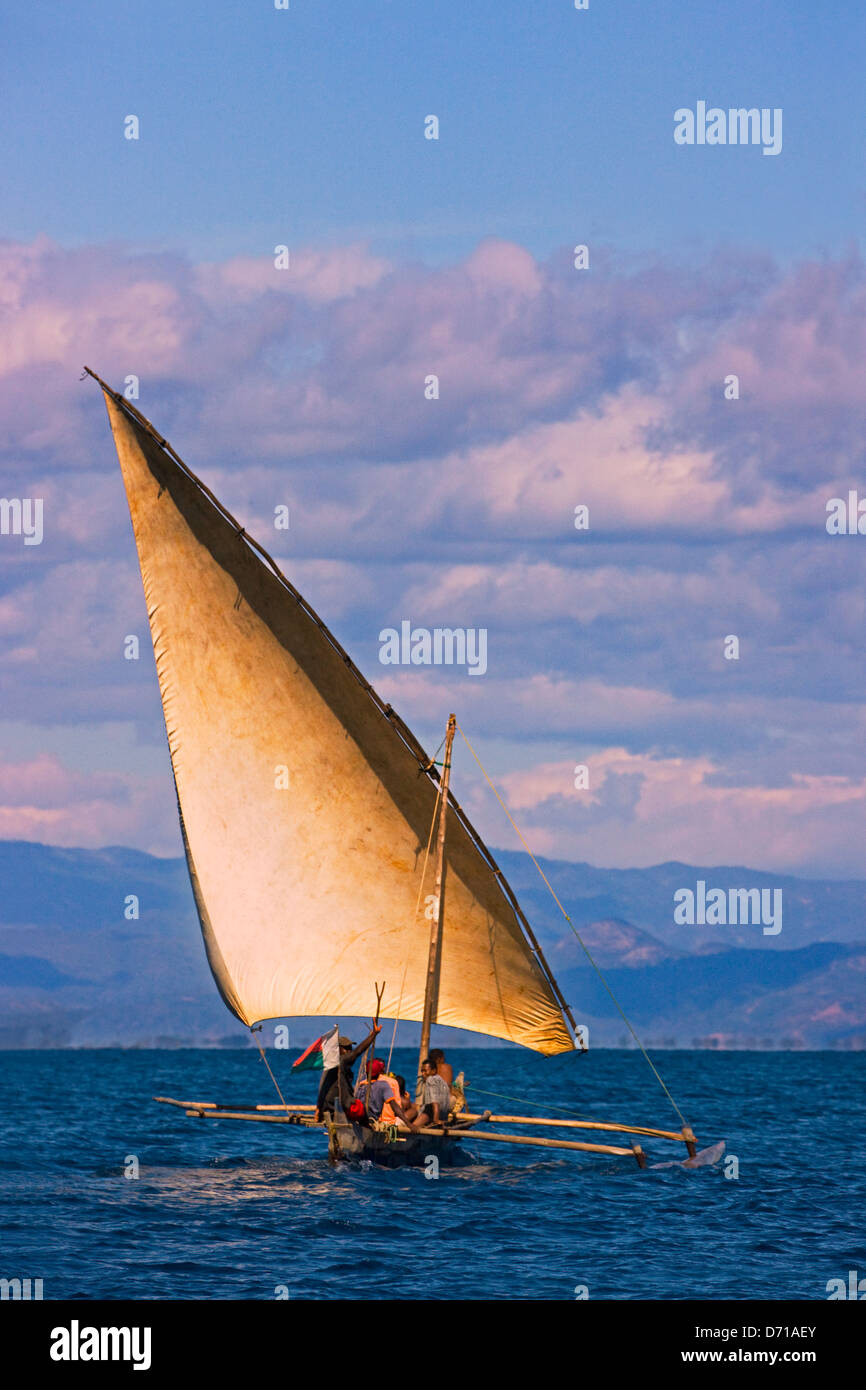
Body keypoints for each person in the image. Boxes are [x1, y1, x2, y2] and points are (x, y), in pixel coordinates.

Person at [315, 1025, 380, 1121]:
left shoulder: (330, 1063)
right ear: (339, 1049)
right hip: (337, 1107)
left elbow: (322, 1086)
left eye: (350, 1048)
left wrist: (319, 1108)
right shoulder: (342, 1060)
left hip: (329, 1107)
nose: (350, 1051)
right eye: (347, 1048)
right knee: (363, 1114)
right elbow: (357, 1051)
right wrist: (373, 1035)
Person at [415, 1057, 452, 1128]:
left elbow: (435, 1103)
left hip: (430, 1114)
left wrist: (436, 1120)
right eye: (422, 1071)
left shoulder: (430, 1080)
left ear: (434, 1071)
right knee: (414, 1105)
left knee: (412, 1126)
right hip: (443, 1115)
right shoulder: (442, 1081)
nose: (423, 1074)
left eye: (425, 1071)